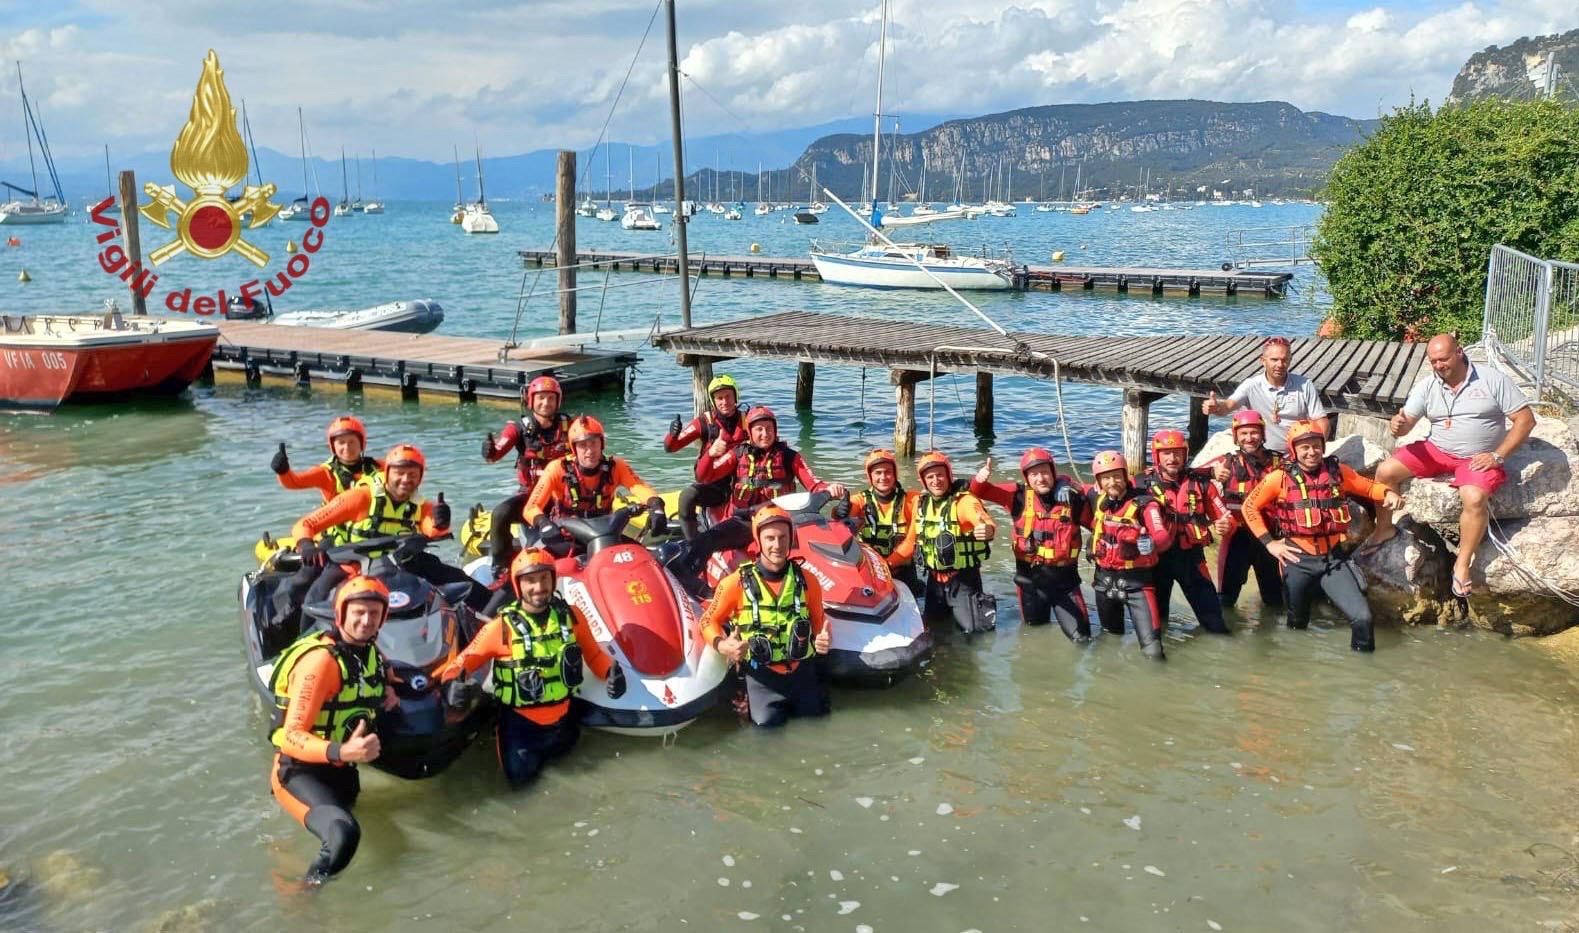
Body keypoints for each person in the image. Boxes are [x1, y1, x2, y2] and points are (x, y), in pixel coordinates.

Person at [1364, 333, 1534, 597]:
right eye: (1433, 361)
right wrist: (1398, 426)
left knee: (1474, 496)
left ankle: (1462, 563)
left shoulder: (1492, 380)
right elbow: (1405, 422)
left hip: (1477, 456)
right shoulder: (1428, 385)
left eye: (1443, 359)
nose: (1438, 366)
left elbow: (1525, 420)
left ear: (1459, 352)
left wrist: (1498, 456)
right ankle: (1384, 529)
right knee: (1385, 471)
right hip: (1437, 449)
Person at [438, 547, 616, 787]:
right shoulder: (499, 628)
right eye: (530, 580)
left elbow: (593, 654)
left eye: (544, 578)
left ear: (554, 580)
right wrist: (451, 685)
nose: (539, 587)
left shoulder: (572, 616)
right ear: (517, 584)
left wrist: (610, 672)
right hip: (520, 734)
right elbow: (461, 663)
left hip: (565, 726)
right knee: (522, 792)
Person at [267, 575, 397, 883]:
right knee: (343, 835)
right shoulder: (321, 663)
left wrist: (391, 688)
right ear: (340, 614)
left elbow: (381, 671)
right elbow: (288, 736)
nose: (366, 621)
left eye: (374, 614)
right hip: (297, 772)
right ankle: (302, 898)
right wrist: (342, 750)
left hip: (341, 771)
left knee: (345, 822)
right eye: (358, 613)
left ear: (383, 618)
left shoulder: (370, 652)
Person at [1241, 420, 1402, 652]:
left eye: (1316, 446)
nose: (1311, 452)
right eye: (1304, 447)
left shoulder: (1338, 472)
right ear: (1294, 450)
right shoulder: (1279, 478)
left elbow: (1368, 487)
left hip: (1333, 560)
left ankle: (1364, 673)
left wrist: (1386, 492)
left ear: (1323, 447)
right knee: (1297, 623)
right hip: (1296, 560)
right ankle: (1297, 672)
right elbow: (1250, 507)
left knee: (1363, 618)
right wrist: (1270, 544)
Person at [289, 444, 487, 613]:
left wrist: (441, 523)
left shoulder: (423, 505)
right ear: (387, 473)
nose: (405, 479)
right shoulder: (359, 497)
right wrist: (306, 545)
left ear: (420, 477)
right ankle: (303, 642)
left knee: (461, 581)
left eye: (412, 474)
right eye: (399, 473)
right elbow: (306, 524)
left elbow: (433, 530)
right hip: (353, 564)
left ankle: (495, 615)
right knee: (314, 600)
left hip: (402, 562)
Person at [699, 506, 832, 728]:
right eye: (770, 538)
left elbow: (819, 624)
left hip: (803, 673)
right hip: (761, 678)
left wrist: (822, 641)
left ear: (791, 539)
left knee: (817, 725)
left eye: (783, 537)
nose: (777, 545)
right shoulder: (735, 583)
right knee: (766, 729)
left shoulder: (809, 580)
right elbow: (707, 621)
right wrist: (723, 646)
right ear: (758, 541)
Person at [673, 406, 845, 578]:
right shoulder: (737, 454)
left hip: (781, 521)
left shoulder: (790, 456)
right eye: (759, 429)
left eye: (769, 428)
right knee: (704, 542)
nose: (765, 433)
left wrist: (830, 490)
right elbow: (704, 477)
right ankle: (691, 580)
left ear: (775, 430)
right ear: (750, 432)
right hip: (746, 522)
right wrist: (710, 454)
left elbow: (814, 484)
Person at [970, 448, 1093, 642]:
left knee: (1083, 639)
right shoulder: (1017, 497)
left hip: (1065, 584)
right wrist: (980, 478)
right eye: (1034, 474)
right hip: (1030, 584)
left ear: (1053, 472)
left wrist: (1069, 482)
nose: (1040, 479)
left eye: (1045, 472)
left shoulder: (1072, 497)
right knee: (1033, 636)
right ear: (1027, 478)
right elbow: (979, 491)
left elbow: (1100, 493)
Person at [888, 451, 997, 634]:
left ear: (949, 476)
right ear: (923, 481)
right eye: (930, 477)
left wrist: (987, 530)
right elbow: (909, 545)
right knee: (931, 634)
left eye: (940, 475)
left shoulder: (964, 502)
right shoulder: (922, 506)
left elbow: (985, 523)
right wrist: (884, 565)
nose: (936, 480)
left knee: (974, 635)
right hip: (935, 583)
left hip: (963, 582)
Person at [1142, 429, 1234, 635]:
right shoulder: (1141, 485)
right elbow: (1109, 495)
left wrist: (1226, 525)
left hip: (1191, 559)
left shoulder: (1202, 484)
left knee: (1216, 626)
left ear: (1185, 454)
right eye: (1166, 453)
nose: (1172, 458)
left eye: (1177, 453)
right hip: (1157, 561)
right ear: (1157, 456)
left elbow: (1224, 515)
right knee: (1157, 627)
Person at [480, 376, 573, 577]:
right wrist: (488, 451)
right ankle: (501, 565)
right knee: (500, 514)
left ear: (558, 400)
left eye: (550, 398)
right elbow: (495, 454)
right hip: (532, 498)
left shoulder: (569, 425)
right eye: (541, 398)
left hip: (563, 495)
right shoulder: (518, 428)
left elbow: (588, 448)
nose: (546, 403)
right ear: (530, 400)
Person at [1085, 451, 1172, 660]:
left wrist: (1151, 542)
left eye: (1117, 476)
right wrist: (1062, 485)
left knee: (1153, 650)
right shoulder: (1098, 499)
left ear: (1126, 476)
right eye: (1105, 477)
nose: (1112, 482)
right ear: (1098, 481)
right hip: (1104, 582)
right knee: (1109, 640)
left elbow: (1162, 536)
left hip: (1137, 585)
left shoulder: (1145, 504)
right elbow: (1064, 482)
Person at [521, 415, 665, 538]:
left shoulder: (616, 466)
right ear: (574, 448)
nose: (589, 451)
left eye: (594, 443)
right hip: (566, 537)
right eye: (583, 445)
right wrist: (543, 523)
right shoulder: (556, 468)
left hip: (606, 534)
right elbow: (531, 508)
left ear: (602, 444)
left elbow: (640, 488)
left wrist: (656, 506)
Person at [1206, 410, 1285, 609]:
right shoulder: (1226, 463)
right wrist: (1211, 473)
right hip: (1236, 537)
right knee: (1225, 600)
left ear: (1263, 435)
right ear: (1236, 437)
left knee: (1275, 600)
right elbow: (1188, 476)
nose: (1249, 438)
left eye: (1254, 433)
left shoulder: (1281, 463)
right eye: (1243, 434)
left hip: (1270, 537)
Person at [1201, 336, 1330, 453]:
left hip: (1296, 453)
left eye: (1284, 360)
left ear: (1290, 360)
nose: (1280, 365)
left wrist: (1318, 449)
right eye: (1274, 360)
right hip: (1261, 453)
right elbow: (1228, 406)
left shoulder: (1304, 384)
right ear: (1263, 361)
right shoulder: (1251, 385)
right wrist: (1216, 407)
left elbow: (1320, 419)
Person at [664, 374, 751, 541]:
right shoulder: (704, 422)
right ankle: (693, 543)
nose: (724, 402)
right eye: (719, 398)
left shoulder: (747, 420)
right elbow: (671, 447)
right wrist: (672, 434)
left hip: (744, 485)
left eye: (728, 397)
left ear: (736, 397)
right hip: (715, 488)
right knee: (687, 497)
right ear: (713, 401)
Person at [835, 448, 921, 594]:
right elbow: (838, 526)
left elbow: (910, 543)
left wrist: (885, 566)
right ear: (870, 476)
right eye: (878, 473)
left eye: (888, 472)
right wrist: (839, 511)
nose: (883, 477)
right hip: (869, 572)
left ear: (895, 474)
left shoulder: (912, 500)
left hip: (902, 571)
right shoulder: (860, 500)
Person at [271, 415, 382, 504]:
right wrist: (283, 471)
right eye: (341, 442)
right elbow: (294, 483)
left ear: (362, 444)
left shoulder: (377, 467)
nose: (347, 447)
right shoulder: (325, 473)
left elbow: (398, 467)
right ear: (332, 447)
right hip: (338, 529)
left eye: (352, 442)